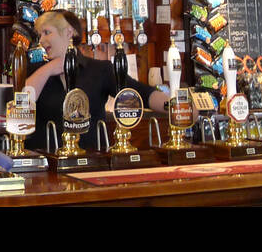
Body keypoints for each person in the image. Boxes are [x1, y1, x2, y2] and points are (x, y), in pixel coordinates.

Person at [22, 9, 168, 152]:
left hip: (92, 162)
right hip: (47, 164)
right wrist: (49, 69)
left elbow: (142, 94)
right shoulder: (36, 72)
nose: (41, 40)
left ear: (69, 32)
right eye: (40, 34)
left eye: (47, 32)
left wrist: (177, 108)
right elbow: (22, 105)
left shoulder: (100, 70)